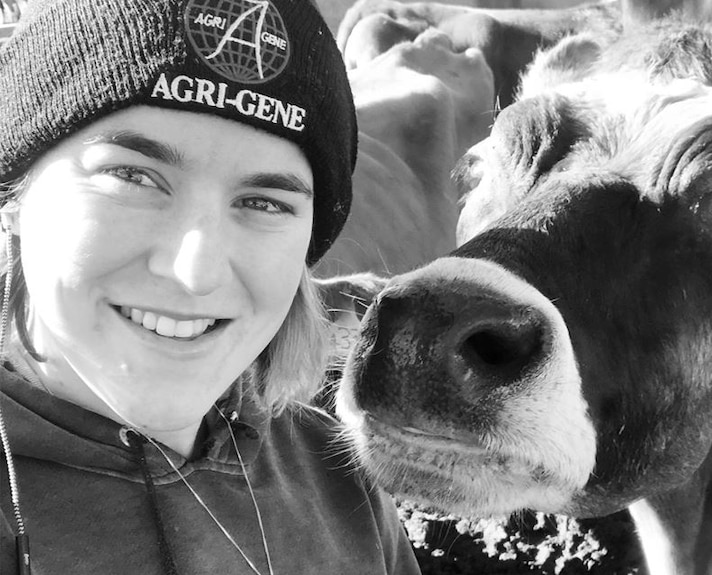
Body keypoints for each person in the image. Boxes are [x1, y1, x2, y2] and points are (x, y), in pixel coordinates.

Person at [0, 1, 421, 573]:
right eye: (132, 176)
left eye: (263, 202)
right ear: (15, 201)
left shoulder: (340, 481)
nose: (196, 273)